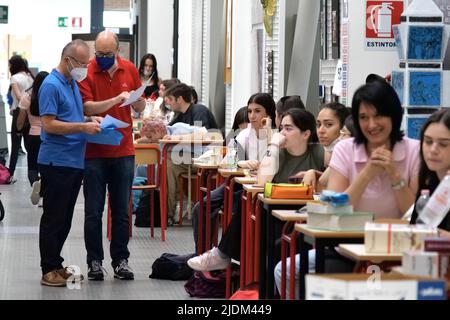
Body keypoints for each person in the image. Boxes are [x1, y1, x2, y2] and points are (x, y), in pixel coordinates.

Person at [188, 108, 326, 272]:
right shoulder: (277, 153)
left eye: (288, 129)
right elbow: (261, 182)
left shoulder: (318, 152)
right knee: (254, 211)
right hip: (278, 211)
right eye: (281, 128)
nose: (282, 133)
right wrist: (273, 144)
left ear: (306, 134)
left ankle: (223, 254)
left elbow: (338, 173)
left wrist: (316, 173)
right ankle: (225, 256)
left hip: (307, 211)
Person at [79, 30, 146, 281]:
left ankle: (121, 260)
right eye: (99, 53)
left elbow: (139, 105)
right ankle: (94, 262)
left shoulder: (129, 69)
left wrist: (137, 102)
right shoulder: (88, 70)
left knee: (121, 210)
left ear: (117, 51)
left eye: (108, 54)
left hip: (123, 150)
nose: (103, 58)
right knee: (93, 211)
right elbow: (87, 107)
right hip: (94, 152)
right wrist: (116, 99)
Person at [38, 39, 101, 287]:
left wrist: (88, 118)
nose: (84, 69)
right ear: (68, 60)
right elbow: (49, 124)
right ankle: (47, 269)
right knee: (53, 217)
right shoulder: (51, 85)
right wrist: (82, 126)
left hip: (74, 161)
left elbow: (70, 116)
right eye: (82, 64)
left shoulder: (71, 84)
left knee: (64, 218)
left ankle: (55, 264)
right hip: (57, 161)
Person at [273, 103, 352, 298]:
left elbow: (330, 189)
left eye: (329, 125)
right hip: (327, 230)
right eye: (319, 124)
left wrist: (312, 173)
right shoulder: (280, 151)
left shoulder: (328, 152)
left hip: (342, 237)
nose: (322, 130)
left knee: (284, 249)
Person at [192, 93, 276, 250]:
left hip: (266, 188)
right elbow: (224, 168)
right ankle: (203, 254)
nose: (252, 116)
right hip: (240, 184)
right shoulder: (244, 135)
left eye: (258, 111)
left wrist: (269, 133)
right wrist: (242, 163)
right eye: (250, 111)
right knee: (200, 207)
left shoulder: (277, 135)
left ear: (269, 113)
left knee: (241, 215)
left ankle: (231, 256)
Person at [328, 80, 420, 219]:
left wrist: (394, 174)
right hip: (350, 237)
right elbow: (334, 211)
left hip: (398, 238)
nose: (371, 125)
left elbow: (414, 215)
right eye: (364, 117)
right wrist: (367, 174)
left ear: (393, 115)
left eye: (378, 115)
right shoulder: (344, 149)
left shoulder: (415, 150)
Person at [163, 83, 219, 224]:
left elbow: (201, 136)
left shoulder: (199, 111)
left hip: (207, 158)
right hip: (189, 158)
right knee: (167, 164)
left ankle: (169, 212)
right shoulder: (180, 116)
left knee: (169, 160)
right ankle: (167, 212)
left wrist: (177, 138)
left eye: (170, 99)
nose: (168, 103)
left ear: (179, 99)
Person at [411, 108, 450, 237]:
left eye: (443, 144)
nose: (433, 150)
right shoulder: (428, 181)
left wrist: (430, 234)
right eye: (428, 142)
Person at [17, 71, 49, 205]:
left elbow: (20, 120)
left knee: (32, 167)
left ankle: (36, 183)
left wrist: (18, 129)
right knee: (47, 167)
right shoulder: (50, 96)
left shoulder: (27, 97)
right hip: (49, 136)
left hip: (33, 136)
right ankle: (45, 193)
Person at [7, 55, 35, 181]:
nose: (9, 67)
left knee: (15, 145)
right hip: (30, 114)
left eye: (10, 64)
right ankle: (34, 175)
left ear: (14, 65)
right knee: (30, 146)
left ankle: (10, 174)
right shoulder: (30, 77)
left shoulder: (14, 78)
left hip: (19, 113)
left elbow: (18, 97)